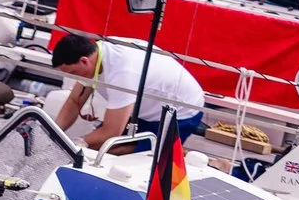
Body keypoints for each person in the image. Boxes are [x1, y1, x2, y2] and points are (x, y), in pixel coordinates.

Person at [48, 30, 209, 149]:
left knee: (112, 151)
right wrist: (52, 134)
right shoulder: (97, 52)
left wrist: (75, 144)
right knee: (94, 146)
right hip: (145, 109)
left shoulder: (122, 72)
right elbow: (75, 101)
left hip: (182, 111)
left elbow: (111, 132)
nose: (76, 78)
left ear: (84, 61)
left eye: (73, 73)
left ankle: (207, 163)